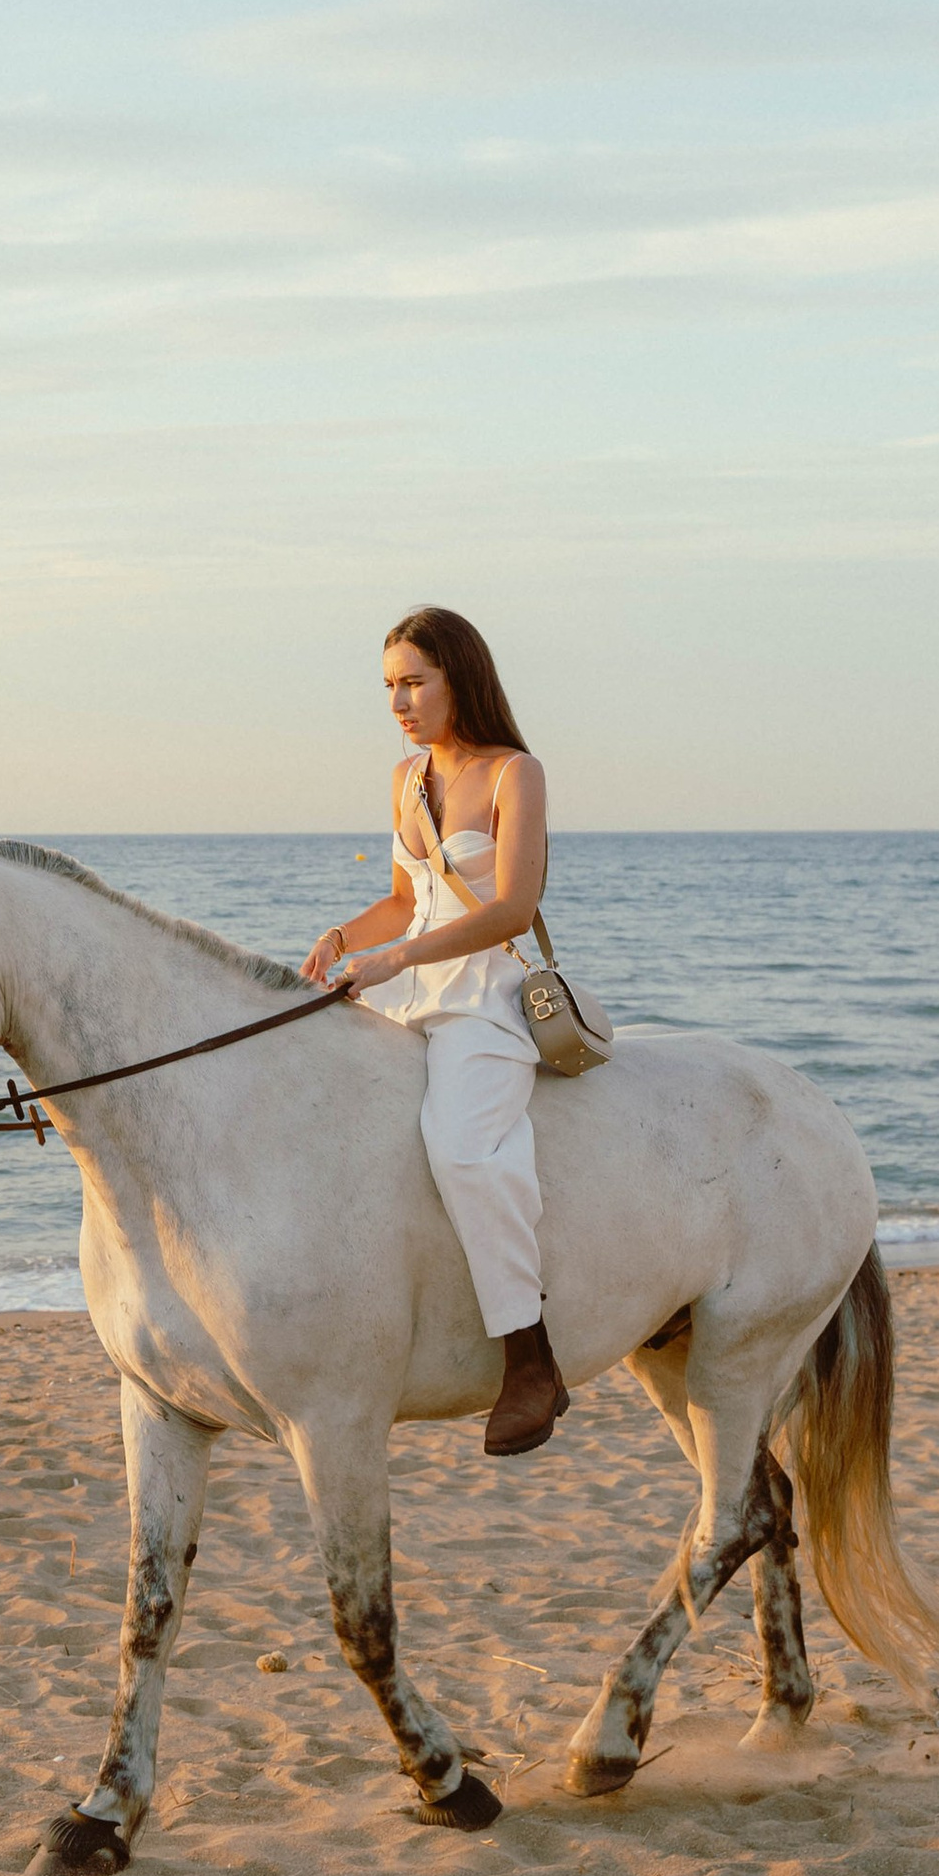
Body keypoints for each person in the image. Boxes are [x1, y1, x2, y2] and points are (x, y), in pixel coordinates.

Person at [301, 607, 566, 1456]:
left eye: (414, 681)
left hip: (480, 993)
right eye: (388, 686)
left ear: (461, 676)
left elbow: (511, 909)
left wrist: (396, 956)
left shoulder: (514, 774)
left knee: (461, 1150)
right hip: (404, 981)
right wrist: (346, 937)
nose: (398, 702)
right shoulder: (405, 779)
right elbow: (402, 898)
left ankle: (528, 1356)